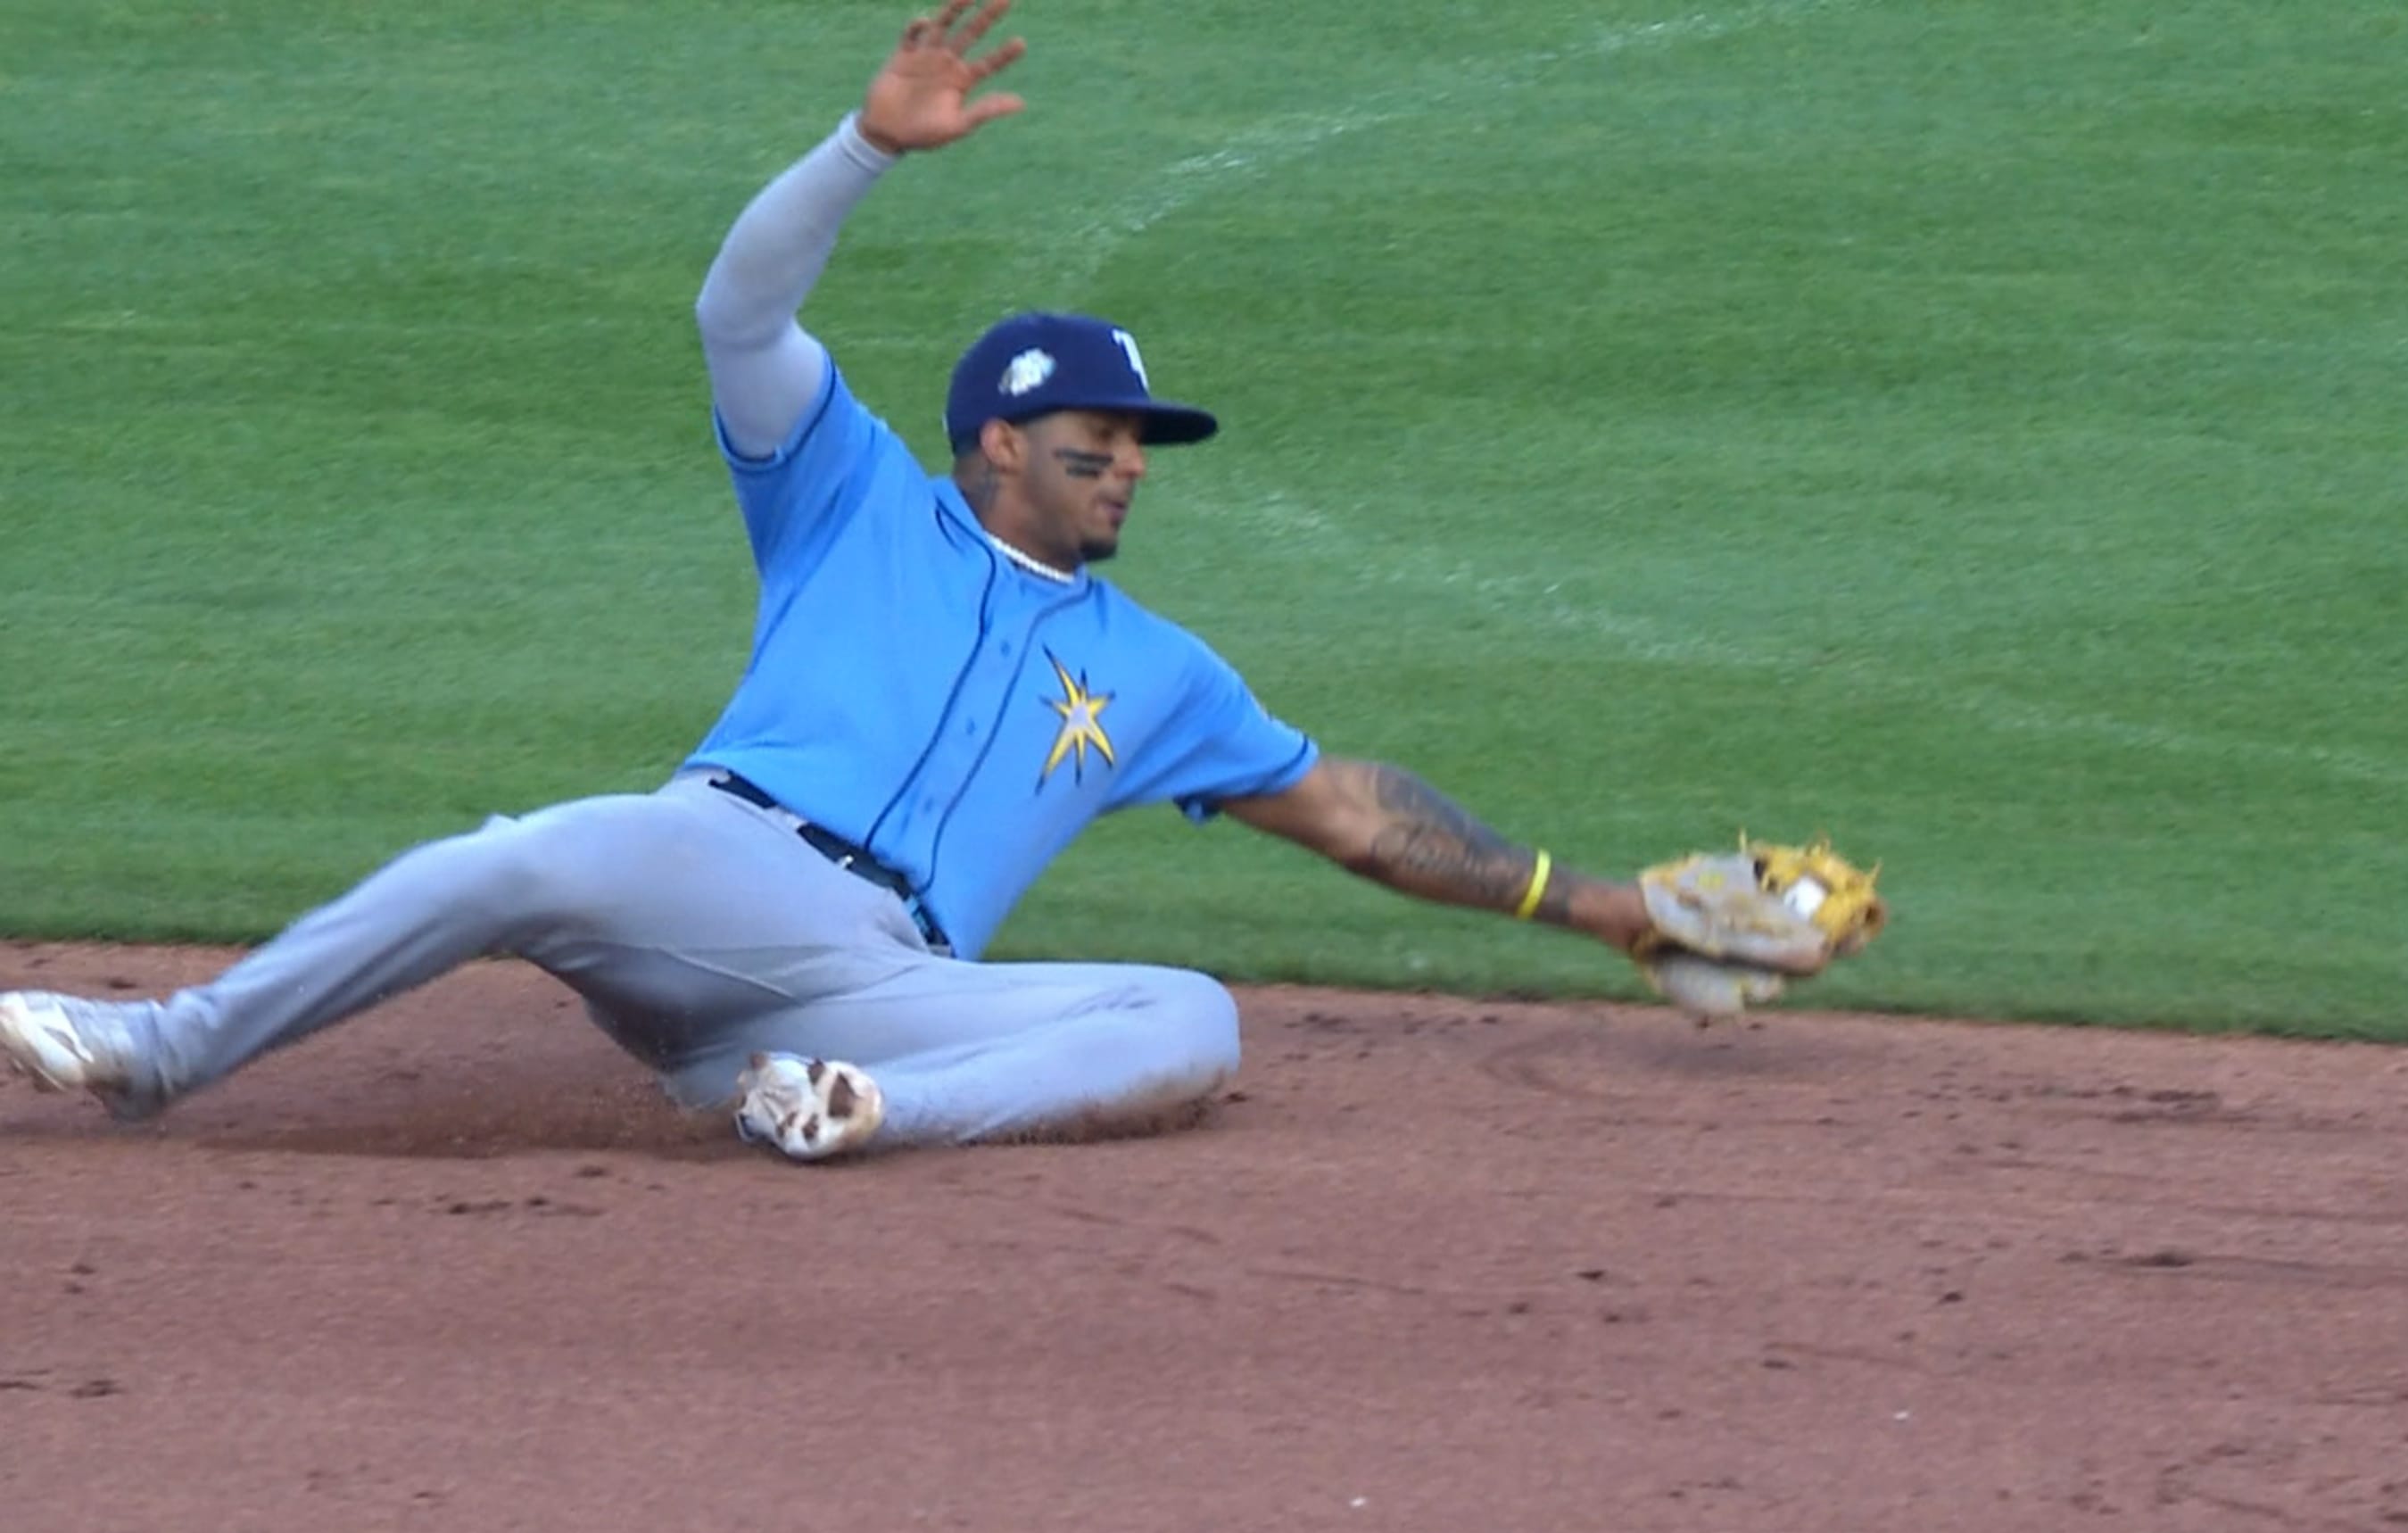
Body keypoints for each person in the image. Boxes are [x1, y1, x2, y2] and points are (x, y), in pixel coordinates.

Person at [0, 0, 1820, 1162]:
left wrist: (1616, 915)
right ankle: (158, 1047)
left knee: (1195, 1019)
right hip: (707, 862)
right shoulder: (846, 495)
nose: (1125, 460)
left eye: (1140, 442)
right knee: (519, 855)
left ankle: (849, 1116)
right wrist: (866, 148)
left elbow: (1352, 812)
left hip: (874, 983)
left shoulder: (1158, 668)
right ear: (992, 445)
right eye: (1090, 434)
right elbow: (739, 312)